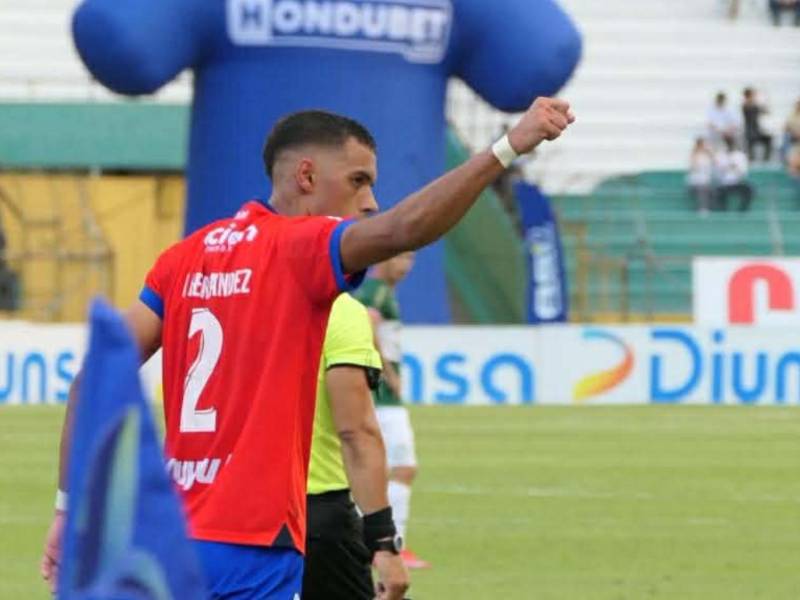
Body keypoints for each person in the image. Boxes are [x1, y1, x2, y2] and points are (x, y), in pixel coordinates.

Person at [41, 98, 575, 598]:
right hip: (254, 541)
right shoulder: (298, 249)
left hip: (173, 542)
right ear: (306, 177)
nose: (369, 201)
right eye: (359, 181)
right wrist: (509, 147)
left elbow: (93, 378)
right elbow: (405, 228)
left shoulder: (183, 258)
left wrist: (68, 512)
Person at [304, 287, 408, 597]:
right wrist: (384, 542)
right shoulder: (337, 307)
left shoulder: (199, 289)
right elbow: (356, 433)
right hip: (314, 506)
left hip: (210, 512)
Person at [354, 252, 428, 569]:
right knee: (403, 468)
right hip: (382, 399)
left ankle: (368, 542)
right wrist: (386, 371)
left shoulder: (381, 292)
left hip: (380, 398)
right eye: (404, 258)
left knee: (379, 470)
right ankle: (393, 546)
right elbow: (365, 325)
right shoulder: (376, 291)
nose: (407, 266)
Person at [715, 135, 754, 211]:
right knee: (717, 192)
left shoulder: (740, 156)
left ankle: (742, 211)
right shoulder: (720, 156)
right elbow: (717, 173)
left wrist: (735, 167)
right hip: (724, 183)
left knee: (749, 189)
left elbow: (743, 173)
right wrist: (725, 167)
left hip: (737, 182)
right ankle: (723, 211)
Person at [741, 88, 773, 162]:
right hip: (750, 132)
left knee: (769, 139)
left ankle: (765, 160)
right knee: (750, 144)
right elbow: (752, 107)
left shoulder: (754, 105)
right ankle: (751, 159)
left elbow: (767, 111)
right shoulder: (745, 105)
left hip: (757, 131)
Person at [687, 137, 716, 214]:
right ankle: (702, 208)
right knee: (702, 189)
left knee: (711, 190)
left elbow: (715, 163)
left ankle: (710, 208)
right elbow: (693, 167)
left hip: (706, 181)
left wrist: (710, 153)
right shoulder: (694, 155)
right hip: (696, 181)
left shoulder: (708, 155)